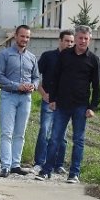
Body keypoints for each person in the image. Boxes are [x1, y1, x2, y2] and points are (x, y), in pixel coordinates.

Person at [34, 25, 100, 184]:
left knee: (78, 140)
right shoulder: (64, 56)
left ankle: (74, 173)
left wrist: (92, 107)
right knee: (55, 138)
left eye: (86, 38)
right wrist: (52, 100)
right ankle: (46, 170)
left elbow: (97, 86)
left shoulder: (93, 60)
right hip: (62, 105)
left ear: (89, 39)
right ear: (76, 38)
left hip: (81, 106)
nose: (82, 41)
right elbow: (55, 79)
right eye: (80, 38)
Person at [0, 25, 39, 177]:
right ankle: (5, 166)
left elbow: (36, 77)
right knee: (6, 132)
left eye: (27, 37)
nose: (25, 39)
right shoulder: (4, 55)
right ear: (15, 36)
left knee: (20, 133)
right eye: (22, 36)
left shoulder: (32, 58)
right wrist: (17, 86)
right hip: (8, 96)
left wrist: (34, 86)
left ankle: (16, 165)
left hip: (26, 98)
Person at [33, 29, 74, 174]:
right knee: (45, 130)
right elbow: (34, 76)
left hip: (65, 103)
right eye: (67, 41)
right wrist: (43, 94)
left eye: (71, 41)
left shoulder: (74, 59)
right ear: (60, 40)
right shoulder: (48, 56)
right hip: (49, 100)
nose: (69, 44)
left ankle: (58, 164)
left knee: (62, 135)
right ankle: (39, 162)